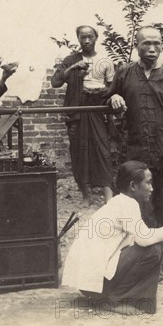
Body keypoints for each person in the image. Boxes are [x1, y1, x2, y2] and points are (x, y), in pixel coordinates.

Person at [62, 161, 163, 315]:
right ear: (133, 186)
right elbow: (144, 240)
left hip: (88, 283)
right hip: (94, 285)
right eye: (148, 183)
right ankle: (111, 301)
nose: (152, 188)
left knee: (155, 249)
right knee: (153, 250)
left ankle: (116, 297)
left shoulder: (120, 202)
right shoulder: (126, 204)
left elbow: (134, 239)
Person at [107, 26, 163, 229]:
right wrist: (114, 96)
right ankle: (143, 250)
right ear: (137, 46)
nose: (152, 48)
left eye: (157, 43)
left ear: (162, 47)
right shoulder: (124, 73)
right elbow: (109, 99)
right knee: (138, 206)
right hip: (137, 151)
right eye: (147, 43)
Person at [52, 25, 115, 204]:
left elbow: (113, 88)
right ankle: (86, 195)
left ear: (96, 38)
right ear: (78, 39)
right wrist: (73, 68)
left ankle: (108, 196)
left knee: (103, 152)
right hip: (77, 112)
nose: (86, 41)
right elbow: (55, 82)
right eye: (82, 37)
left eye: (90, 37)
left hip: (97, 110)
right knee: (79, 154)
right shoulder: (71, 59)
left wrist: (102, 93)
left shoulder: (105, 61)